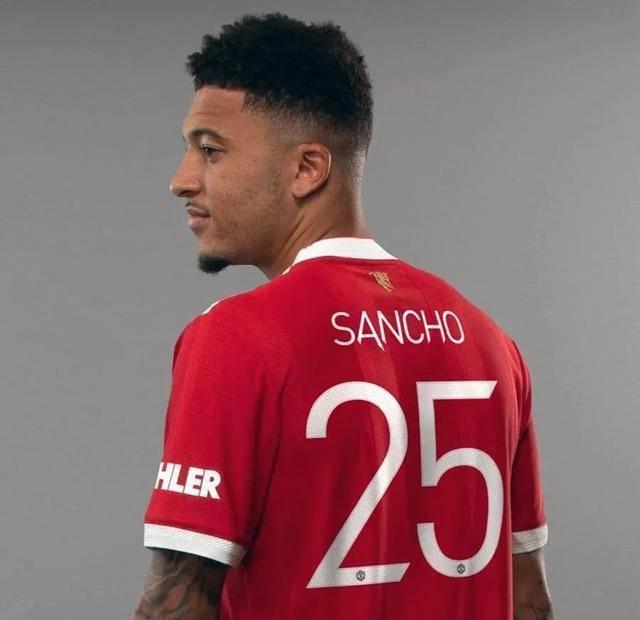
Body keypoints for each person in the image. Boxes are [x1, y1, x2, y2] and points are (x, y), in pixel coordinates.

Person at [131, 12, 552, 620]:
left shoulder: (237, 336)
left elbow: (176, 605)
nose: (181, 180)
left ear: (307, 169)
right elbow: (529, 600)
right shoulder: (490, 342)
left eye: (210, 150)